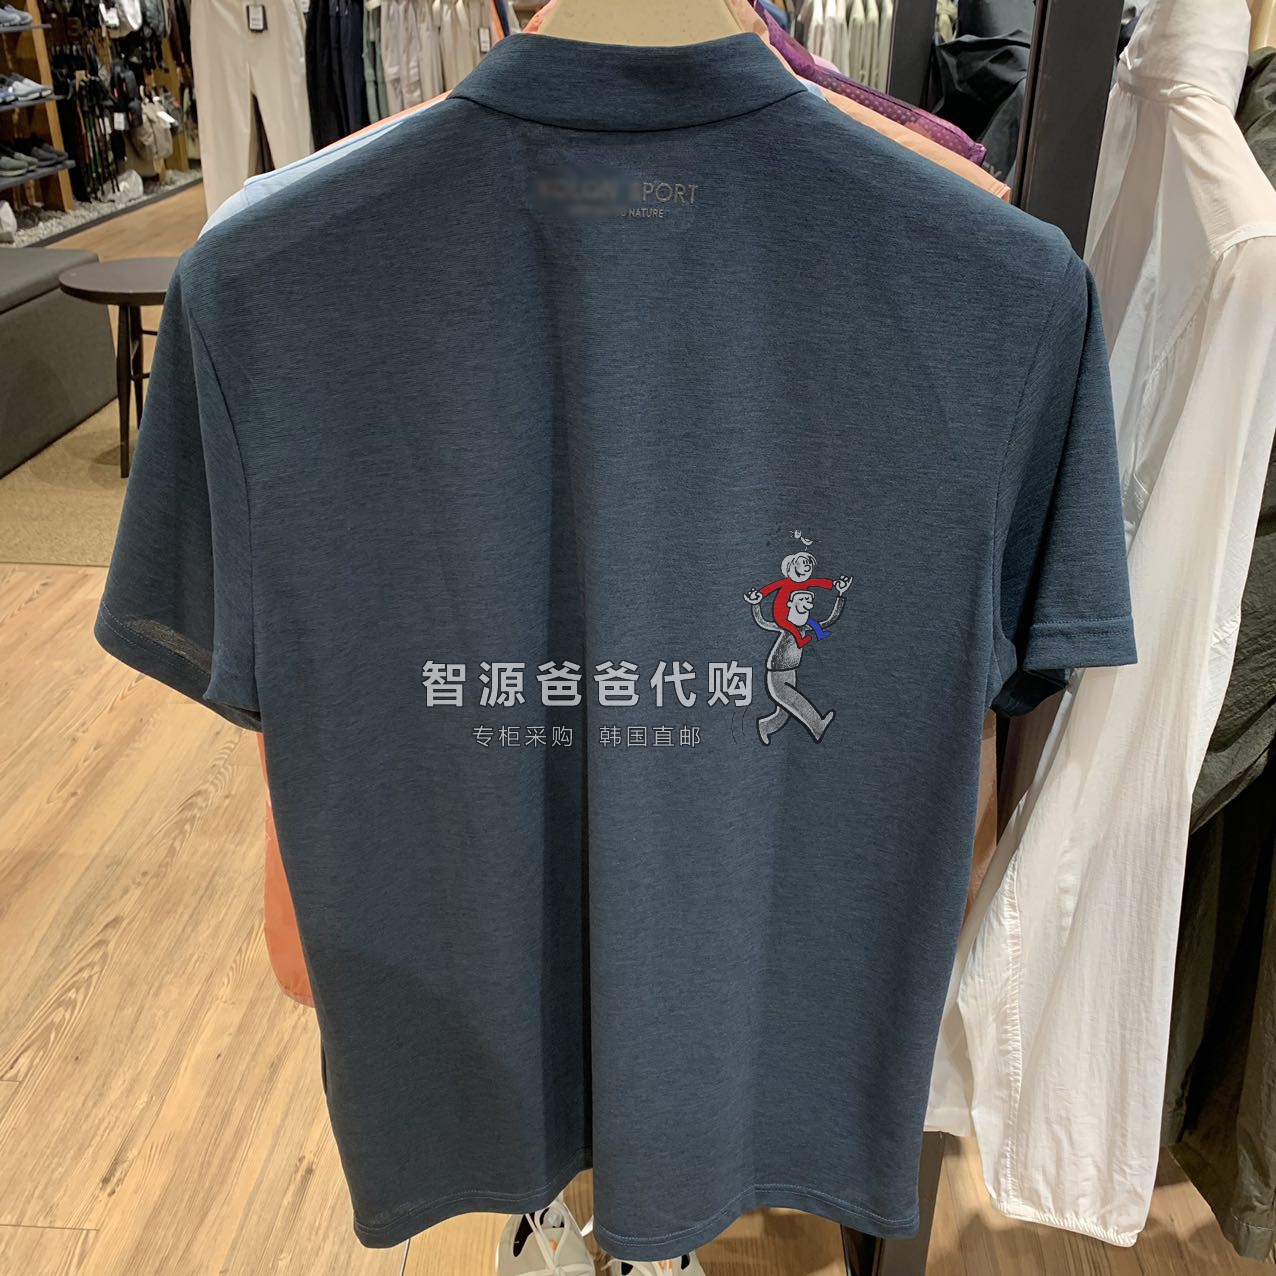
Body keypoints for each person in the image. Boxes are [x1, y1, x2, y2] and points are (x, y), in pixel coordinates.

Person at [745, 575, 851, 744]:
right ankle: (817, 724)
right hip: (777, 670)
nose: (806, 602)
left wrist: (840, 594)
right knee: (793, 700)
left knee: (784, 713)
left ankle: (765, 727)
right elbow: (762, 622)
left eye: (808, 600)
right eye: (802, 599)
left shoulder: (804, 627)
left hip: (791, 670)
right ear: (790, 604)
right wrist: (755, 604)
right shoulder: (784, 625)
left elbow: (829, 621)